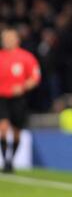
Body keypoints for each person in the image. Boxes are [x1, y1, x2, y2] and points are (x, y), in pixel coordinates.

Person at [0, 28, 41, 173]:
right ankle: (5, 160)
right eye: (4, 38)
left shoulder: (26, 57)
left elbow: (35, 77)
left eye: (10, 38)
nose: (6, 41)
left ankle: (11, 159)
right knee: (3, 128)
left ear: (17, 40)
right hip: (2, 98)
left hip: (18, 99)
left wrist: (23, 86)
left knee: (16, 132)